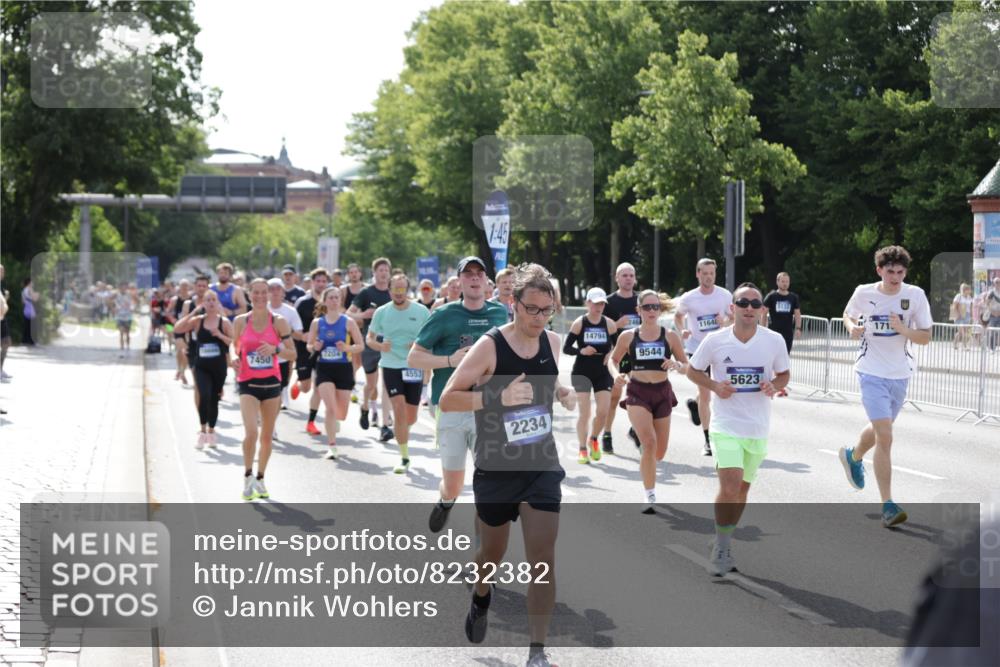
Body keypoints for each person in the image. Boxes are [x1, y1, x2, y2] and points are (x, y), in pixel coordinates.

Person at [439, 263, 575, 667]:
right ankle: (481, 595)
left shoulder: (552, 342)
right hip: (496, 468)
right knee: (491, 554)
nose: (539, 318)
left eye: (546, 310)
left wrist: (563, 392)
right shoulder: (490, 346)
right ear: (513, 303)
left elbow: (545, 381)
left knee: (543, 560)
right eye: (531, 309)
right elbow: (449, 398)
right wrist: (495, 397)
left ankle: (537, 652)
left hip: (540, 464)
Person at [686, 282, 790, 575]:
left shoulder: (774, 341)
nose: (749, 308)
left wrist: (774, 385)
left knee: (742, 491)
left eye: (755, 304)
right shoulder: (715, 340)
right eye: (743, 303)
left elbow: (784, 374)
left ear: (762, 310)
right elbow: (693, 370)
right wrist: (715, 386)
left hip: (757, 427)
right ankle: (722, 547)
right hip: (725, 424)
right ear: (732, 308)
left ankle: (724, 536)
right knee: (730, 486)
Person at [408, 256, 509, 532]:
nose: (474, 277)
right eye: (468, 274)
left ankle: (483, 552)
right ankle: (446, 500)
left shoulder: (500, 314)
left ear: (486, 281)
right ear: (460, 281)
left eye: (479, 273)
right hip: (450, 405)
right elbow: (414, 357)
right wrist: (450, 360)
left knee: (487, 483)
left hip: (487, 407)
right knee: (454, 484)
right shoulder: (444, 315)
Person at [838, 245, 932, 528]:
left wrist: (903, 329)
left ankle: (853, 456)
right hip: (870, 372)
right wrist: (852, 327)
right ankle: (888, 505)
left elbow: (926, 337)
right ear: (879, 270)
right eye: (890, 271)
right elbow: (847, 314)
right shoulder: (864, 292)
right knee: (886, 436)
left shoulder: (915, 295)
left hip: (900, 375)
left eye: (900, 272)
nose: (895, 277)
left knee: (882, 428)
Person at [612, 290, 687, 512]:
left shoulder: (670, 336)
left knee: (659, 453)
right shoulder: (628, 336)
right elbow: (613, 360)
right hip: (638, 391)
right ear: (639, 310)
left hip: (662, 392)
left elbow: (687, 365)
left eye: (656, 307)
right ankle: (649, 494)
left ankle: (641, 439)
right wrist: (616, 375)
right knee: (650, 443)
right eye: (647, 307)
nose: (652, 311)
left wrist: (677, 365)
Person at [231, 278, 296, 501]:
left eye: (263, 292)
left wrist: (275, 349)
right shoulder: (241, 321)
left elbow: (293, 353)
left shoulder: (278, 322)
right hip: (248, 383)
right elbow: (234, 346)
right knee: (251, 432)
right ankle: (248, 475)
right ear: (249, 294)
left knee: (267, 437)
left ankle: (260, 477)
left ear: (269, 295)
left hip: (272, 384)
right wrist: (233, 357)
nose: (259, 296)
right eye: (255, 292)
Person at [367, 273, 431, 472]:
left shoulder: (421, 311)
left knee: (411, 417)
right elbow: (369, 338)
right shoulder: (382, 312)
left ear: (407, 290)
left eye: (402, 288)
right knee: (399, 409)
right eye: (395, 288)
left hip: (413, 365)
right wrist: (380, 346)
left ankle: (402, 428)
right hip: (391, 365)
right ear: (390, 290)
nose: (399, 292)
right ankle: (404, 458)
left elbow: (431, 336)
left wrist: (419, 344)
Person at [674, 258, 733, 455]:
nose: (709, 277)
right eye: (705, 273)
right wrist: (682, 330)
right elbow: (678, 316)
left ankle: (695, 403)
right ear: (698, 274)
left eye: (712, 273)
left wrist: (724, 322)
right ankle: (708, 440)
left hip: (719, 348)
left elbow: (733, 317)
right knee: (707, 394)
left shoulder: (724, 295)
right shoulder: (689, 297)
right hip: (697, 348)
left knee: (717, 389)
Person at [173, 289, 234, 449]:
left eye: (214, 299)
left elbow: (235, 343)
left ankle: (211, 432)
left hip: (218, 367)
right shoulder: (197, 321)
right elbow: (177, 329)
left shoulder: (224, 322)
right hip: (201, 366)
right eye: (208, 300)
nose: (211, 302)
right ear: (203, 303)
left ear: (218, 302)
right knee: (204, 395)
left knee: (214, 399)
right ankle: (202, 431)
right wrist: (193, 312)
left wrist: (220, 335)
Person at [307, 286, 363, 460]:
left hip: (343, 368)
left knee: (341, 413)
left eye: (336, 297)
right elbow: (309, 345)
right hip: (324, 368)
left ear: (340, 301)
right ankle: (332, 446)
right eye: (330, 297)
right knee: (330, 408)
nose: (333, 300)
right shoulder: (317, 323)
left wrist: (346, 348)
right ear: (324, 301)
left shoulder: (348, 322)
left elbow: (360, 345)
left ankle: (335, 421)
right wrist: (314, 347)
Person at [563, 287, 618, 464]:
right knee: (585, 413)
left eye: (601, 304)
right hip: (582, 372)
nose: (598, 307)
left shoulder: (609, 324)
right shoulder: (580, 323)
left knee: (603, 411)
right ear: (588, 303)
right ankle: (582, 449)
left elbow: (620, 346)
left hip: (603, 371)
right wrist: (582, 350)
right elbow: (566, 348)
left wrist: (611, 354)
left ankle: (593, 438)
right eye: (595, 303)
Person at [348, 257, 392, 431]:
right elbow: (349, 314)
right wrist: (363, 315)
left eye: (386, 270)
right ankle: (365, 406)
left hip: (389, 343)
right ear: (374, 273)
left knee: (387, 382)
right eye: (380, 270)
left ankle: (385, 419)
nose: (383, 273)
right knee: (371, 384)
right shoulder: (366, 293)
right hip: (371, 343)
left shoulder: (393, 293)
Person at [600, 262, 640, 454]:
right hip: (617, 354)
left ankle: (636, 430)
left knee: (640, 394)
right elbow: (599, 328)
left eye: (631, 275)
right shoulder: (608, 302)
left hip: (638, 355)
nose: (628, 279)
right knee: (615, 397)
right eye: (624, 275)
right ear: (617, 278)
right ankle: (607, 433)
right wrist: (616, 325)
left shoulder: (641, 300)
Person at [291, 268, 330, 435]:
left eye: (324, 281)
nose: (321, 284)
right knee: (306, 387)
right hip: (303, 349)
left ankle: (311, 422)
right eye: (318, 281)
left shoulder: (330, 302)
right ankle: (299, 384)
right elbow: (291, 328)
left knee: (319, 387)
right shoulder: (302, 302)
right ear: (312, 282)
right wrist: (303, 336)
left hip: (324, 350)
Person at [266, 278, 304, 412]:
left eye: (278, 289)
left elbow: (299, 334)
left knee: (280, 385)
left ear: (283, 292)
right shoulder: (261, 309)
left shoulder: (290, 311)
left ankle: (284, 392)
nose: (275, 292)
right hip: (263, 356)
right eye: (271, 289)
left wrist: (285, 331)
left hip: (283, 356)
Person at [761, 272, 802, 396]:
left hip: (787, 333)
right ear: (777, 282)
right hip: (773, 333)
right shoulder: (771, 296)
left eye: (787, 281)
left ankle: (780, 386)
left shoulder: (793, 297)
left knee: (784, 359)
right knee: (771, 358)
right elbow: (763, 313)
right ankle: (772, 384)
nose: (785, 284)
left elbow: (797, 313)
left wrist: (798, 328)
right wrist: (762, 329)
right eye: (783, 281)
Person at [166, 280, 192, 384]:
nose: (184, 288)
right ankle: (179, 369)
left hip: (189, 328)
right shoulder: (175, 300)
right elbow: (167, 311)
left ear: (189, 287)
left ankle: (182, 372)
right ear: (179, 287)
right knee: (180, 350)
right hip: (178, 328)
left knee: (187, 352)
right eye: (182, 286)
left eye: (186, 286)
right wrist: (173, 320)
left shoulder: (192, 299)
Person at [113, 281, 135, 357]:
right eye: (121, 287)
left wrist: (133, 307)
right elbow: (108, 300)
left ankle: (128, 347)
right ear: (119, 288)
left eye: (124, 287)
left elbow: (137, 300)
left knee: (127, 333)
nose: (123, 288)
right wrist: (113, 308)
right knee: (121, 333)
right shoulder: (116, 294)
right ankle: (122, 349)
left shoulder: (130, 294)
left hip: (128, 316)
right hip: (120, 316)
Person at [949, 283, 973, 350]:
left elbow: (970, 307)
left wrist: (971, 316)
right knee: (962, 331)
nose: (970, 291)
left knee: (962, 332)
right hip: (959, 316)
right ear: (965, 290)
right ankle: (965, 346)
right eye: (969, 289)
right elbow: (954, 305)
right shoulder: (958, 296)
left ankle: (955, 343)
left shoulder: (969, 297)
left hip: (967, 315)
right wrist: (957, 314)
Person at [1, 264, 11, 380]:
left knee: (7, 342)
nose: (3, 274)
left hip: (2, 318)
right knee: (5, 342)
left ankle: (0, 369)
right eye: (1, 271)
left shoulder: (1, 286)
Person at [984, 276, 1000, 351]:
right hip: (993, 314)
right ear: (994, 284)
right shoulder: (991, 292)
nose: (998, 283)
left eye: (999, 282)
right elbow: (987, 303)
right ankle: (991, 348)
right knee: (992, 331)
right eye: (996, 282)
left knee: (997, 331)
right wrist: (992, 311)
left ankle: (994, 346)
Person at [21, 277, 38, 346]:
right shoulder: (28, 289)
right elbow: (35, 299)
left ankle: (25, 340)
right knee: (30, 325)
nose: (32, 283)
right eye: (31, 282)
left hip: (26, 308)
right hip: (29, 308)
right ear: (29, 283)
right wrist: (36, 294)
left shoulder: (24, 290)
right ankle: (30, 340)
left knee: (27, 325)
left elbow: (22, 301)